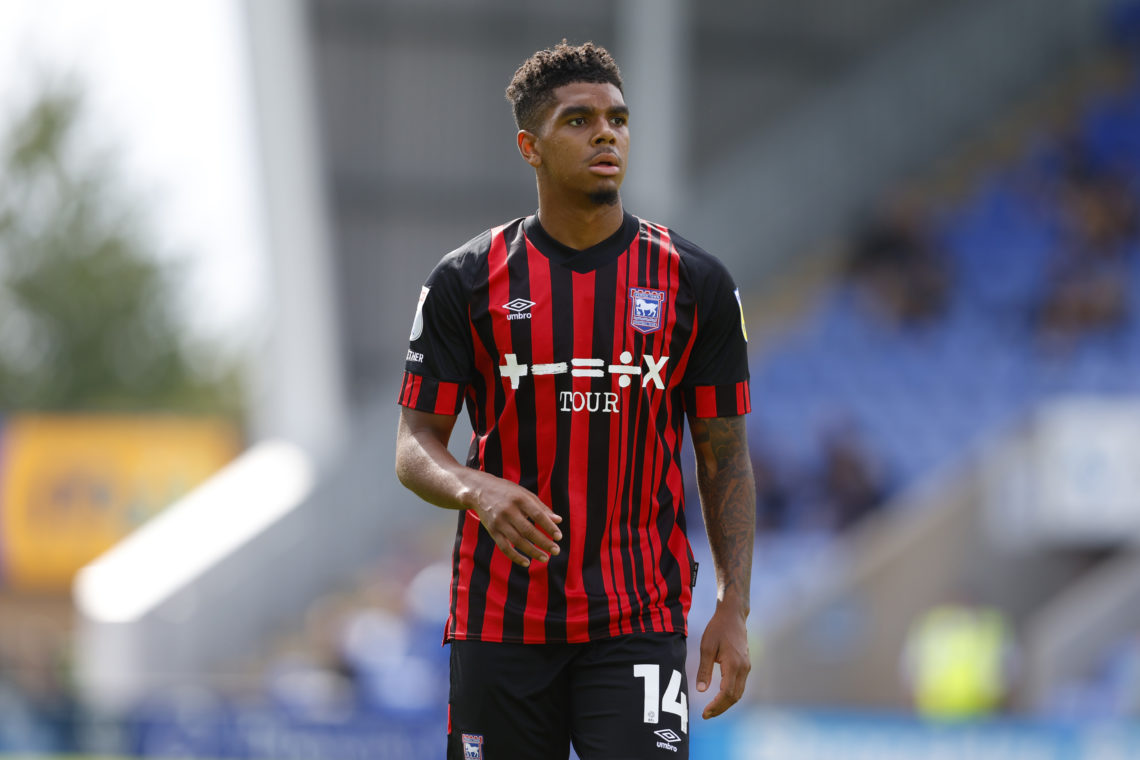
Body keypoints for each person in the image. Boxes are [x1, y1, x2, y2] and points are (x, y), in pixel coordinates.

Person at [394, 41, 755, 760]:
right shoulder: (465, 280)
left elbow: (725, 458)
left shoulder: (697, 282)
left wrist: (732, 606)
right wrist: (476, 489)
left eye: (618, 119)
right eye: (579, 121)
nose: (606, 135)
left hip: (638, 617)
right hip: (500, 620)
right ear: (530, 146)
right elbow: (414, 444)